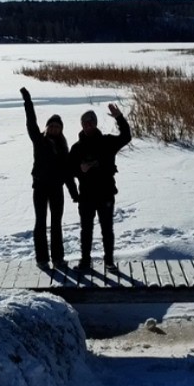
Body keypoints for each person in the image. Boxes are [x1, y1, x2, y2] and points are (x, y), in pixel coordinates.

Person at [20, 87, 79, 267]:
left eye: (57, 127)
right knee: (40, 223)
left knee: (56, 224)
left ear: (61, 130)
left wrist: (74, 193)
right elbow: (31, 122)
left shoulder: (63, 147)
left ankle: (58, 258)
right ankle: (42, 259)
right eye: (51, 126)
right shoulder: (39, 140)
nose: (54, 128)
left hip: (56, 189)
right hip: (40, 187)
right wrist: (28, 101)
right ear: (47, 127)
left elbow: (68, 173)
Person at [69, 103, 131, 271]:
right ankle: (85, 262)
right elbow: (68, 170)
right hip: (86, 195)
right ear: (82, 125)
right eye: (85, 122)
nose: (88, 125)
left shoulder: (107, 142)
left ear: (95, 123)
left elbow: (126, 137)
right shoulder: (77, 148)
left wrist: (119, 118)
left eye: (91, 122)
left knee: (107, 229)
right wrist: (80, 170)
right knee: (86, 230)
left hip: (105, 193)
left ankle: (109, 262)